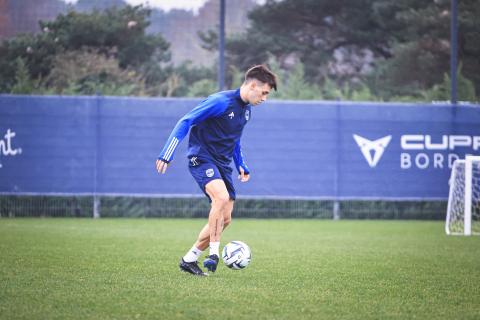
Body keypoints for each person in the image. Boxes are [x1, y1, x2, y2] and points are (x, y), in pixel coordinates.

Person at [156, 65, 277, 276]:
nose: (265, 98)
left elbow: (234, 140)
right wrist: (167, 152)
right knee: (220, 199)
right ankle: (214, 254)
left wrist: (241, 163)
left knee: (226, 218)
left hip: (222, 163)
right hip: (201, 157)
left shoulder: (246, 111)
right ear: (252, 85)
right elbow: (186, 120)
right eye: (264, 92)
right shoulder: (220, 102)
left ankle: (189, 258)